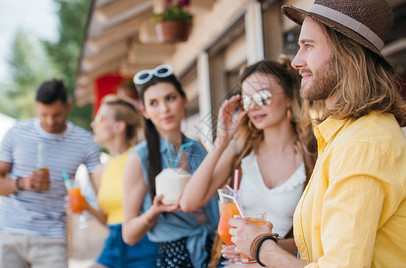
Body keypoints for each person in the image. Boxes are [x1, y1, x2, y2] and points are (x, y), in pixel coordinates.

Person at [228, 0, 406, 268]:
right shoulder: (344, 135)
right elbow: (330, 244)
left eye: (308, 45)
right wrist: (270, 246)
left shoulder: (362, 144)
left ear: (346, 55)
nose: (296, 61)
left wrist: (261, 249)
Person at [180, 56, 317, 265]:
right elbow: (189, 202)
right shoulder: (241, 149)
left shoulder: (313, 156)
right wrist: (221, 142)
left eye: (262, 97)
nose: (254, 107)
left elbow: (316, 237)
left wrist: (259, 247)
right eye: (247, 99)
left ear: (289, 97)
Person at [121, 64, 219, 268]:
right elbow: (129, 234)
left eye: (170, 98)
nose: (164, 109)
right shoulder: (140, 157)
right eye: (154, 103)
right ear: (144, 111)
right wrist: (154, 212)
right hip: (175, 257)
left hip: (215, 249)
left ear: (184, 99)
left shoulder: (198, 148)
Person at [0, 79, 100, 267]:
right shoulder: (17, 133)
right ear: (36, 107)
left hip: (52, 239)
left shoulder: (85, 142)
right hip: (9, 233)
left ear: (68, 106)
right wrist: (21, 183)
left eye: (57, 115)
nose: (50, 121)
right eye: (43, 114)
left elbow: (102, 191)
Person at [84, 95, 157, 268]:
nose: (93, 124)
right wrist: (85, 206)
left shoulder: (140, 157)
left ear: (119, 126)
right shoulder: (103, 168)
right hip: (113, 240)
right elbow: (107, 218)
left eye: (100, 119)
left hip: (143, 241)